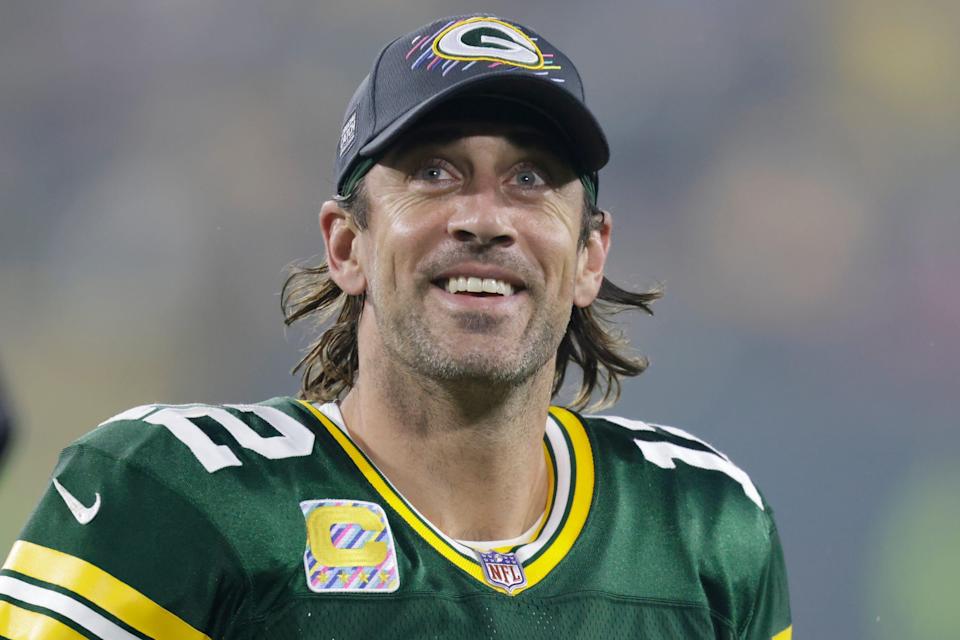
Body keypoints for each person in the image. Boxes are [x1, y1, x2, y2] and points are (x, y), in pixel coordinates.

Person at [0, 14, 791, 640]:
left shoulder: (701, 522)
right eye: (434, 173)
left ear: (590, 256)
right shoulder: (174, 496)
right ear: (347, 245)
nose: (485, 219)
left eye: (531, 178)